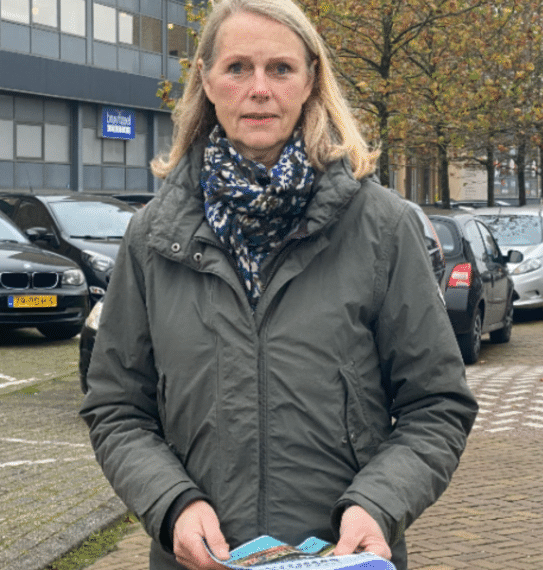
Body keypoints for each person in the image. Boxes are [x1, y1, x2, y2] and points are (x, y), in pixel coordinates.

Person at [79, 1, 477, 569]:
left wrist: (377, 504)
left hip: (341, 558)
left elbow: (437, 403)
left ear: (311, 80)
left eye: (281, 69)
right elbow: (117, 408)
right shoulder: (152, 238)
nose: (259, 88)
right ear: (207, 80)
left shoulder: (381, 227)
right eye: (238, 67)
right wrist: (173, 506)